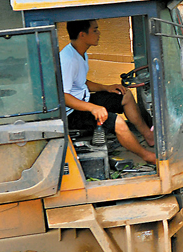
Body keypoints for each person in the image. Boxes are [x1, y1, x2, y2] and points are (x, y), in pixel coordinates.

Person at [61, 20, 156, 164]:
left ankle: (148, 135)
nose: (99, 33)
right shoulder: (68, 60)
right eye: (95, 30)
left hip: (83, 100)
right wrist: (94, 108)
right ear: (82, 35)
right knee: (117, 122)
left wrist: (106, 87)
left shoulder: (80, 53)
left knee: (125, 95)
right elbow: (64, 96)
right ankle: (147, 156)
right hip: (71, 114)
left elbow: (81, 83)